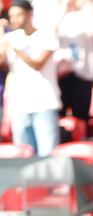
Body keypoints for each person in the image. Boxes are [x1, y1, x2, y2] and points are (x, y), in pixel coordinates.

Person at [0, 0, 61, 156]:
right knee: (23, 156)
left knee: (46, 155)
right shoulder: (10, 37)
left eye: (19, 15)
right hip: (19, 105)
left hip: (44, 103)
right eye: (12, 16)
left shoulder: (46, 35)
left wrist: (16, 49)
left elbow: (37, 64)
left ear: (30, 13)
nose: (15, 20)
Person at [55, 0, 93, 125]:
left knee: (81, 119)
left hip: (83, 74)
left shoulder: (86, 13)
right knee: (60, 119)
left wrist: (86, 4)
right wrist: (63, 8)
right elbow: (48, 33)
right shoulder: (56, 14)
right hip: (61, 75)